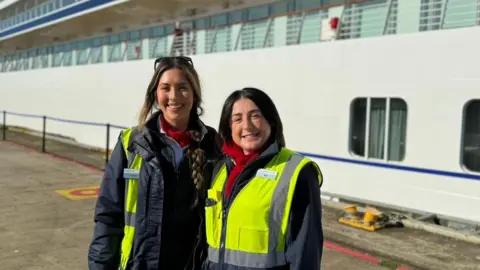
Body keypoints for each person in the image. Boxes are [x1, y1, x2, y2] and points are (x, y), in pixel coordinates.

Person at [87, 56, 223, 270]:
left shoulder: (214, 145)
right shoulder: (131, 144)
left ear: (195, 94)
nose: (174, 96)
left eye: (182, 88)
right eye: (165, 88)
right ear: (155, 94)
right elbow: (108, 216)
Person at [203, 87, 324, 270]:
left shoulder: (297, 172)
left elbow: (305, 252)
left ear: (270, 121)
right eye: (237, 119)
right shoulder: (219, 168)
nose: (247, 126)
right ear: (229, 127)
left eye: (255, 116)